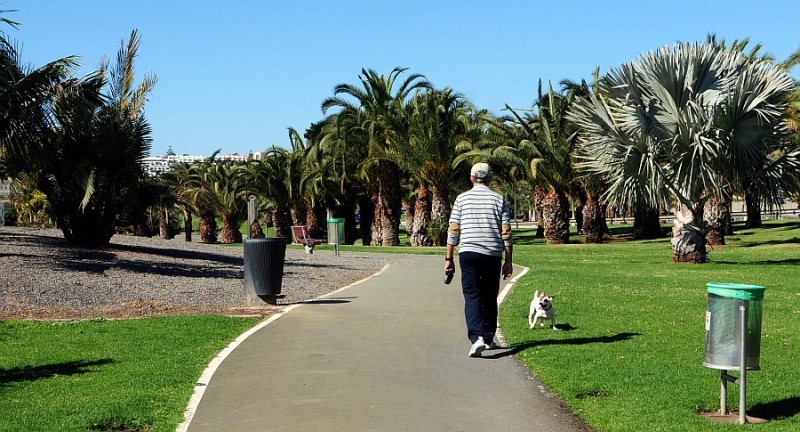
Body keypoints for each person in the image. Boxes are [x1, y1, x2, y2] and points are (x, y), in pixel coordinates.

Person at [445, 162, 513, 358]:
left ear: (471, 178)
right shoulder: (498, 199)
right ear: (489, 179)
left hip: (468, 253)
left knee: (472, 295)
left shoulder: (461, 199)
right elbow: (506, 232)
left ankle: (477, 339)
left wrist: (449, 257)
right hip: (492, 253)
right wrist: (508, 260)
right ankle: (489, 337)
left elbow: (454, 229)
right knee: (489, 295)